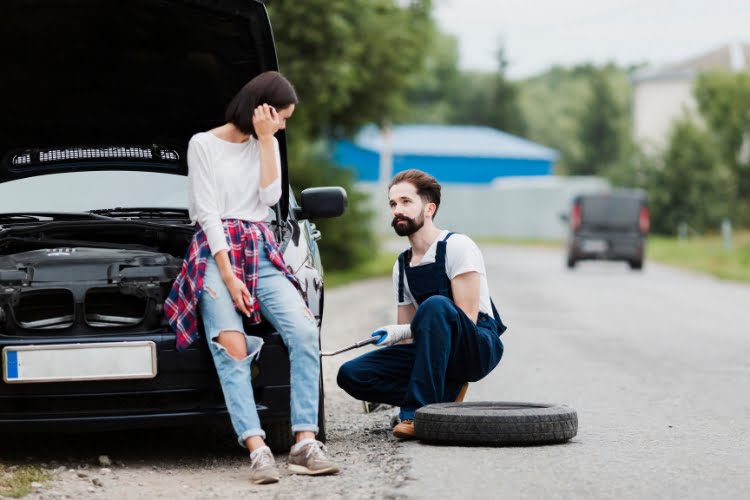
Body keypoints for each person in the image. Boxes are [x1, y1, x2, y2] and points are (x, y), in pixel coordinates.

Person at [165, 71, 339, 484]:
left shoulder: (268, 145)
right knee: (233, 347)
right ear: (260, 106)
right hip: (216, 253)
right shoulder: (203, 144)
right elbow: (206, 213)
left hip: (260, 248)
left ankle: (303, 442)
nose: (282, 125)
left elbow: (269, 197)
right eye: (280, 117)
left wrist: (266, 141)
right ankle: (257, 449)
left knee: (302, 331)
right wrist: (228, 276)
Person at [336, 169, 507, 439]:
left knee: (436, 305)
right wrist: (393, 339)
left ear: (429, 208)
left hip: (475, 346)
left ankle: (416, 414)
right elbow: (407, 335)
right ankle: (446, 393)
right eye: (393, 204)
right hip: (431, 348)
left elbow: (467, 317)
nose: (397, 210)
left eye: (406, 202)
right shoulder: (402, 266)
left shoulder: (457, 246)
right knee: (351, 374)